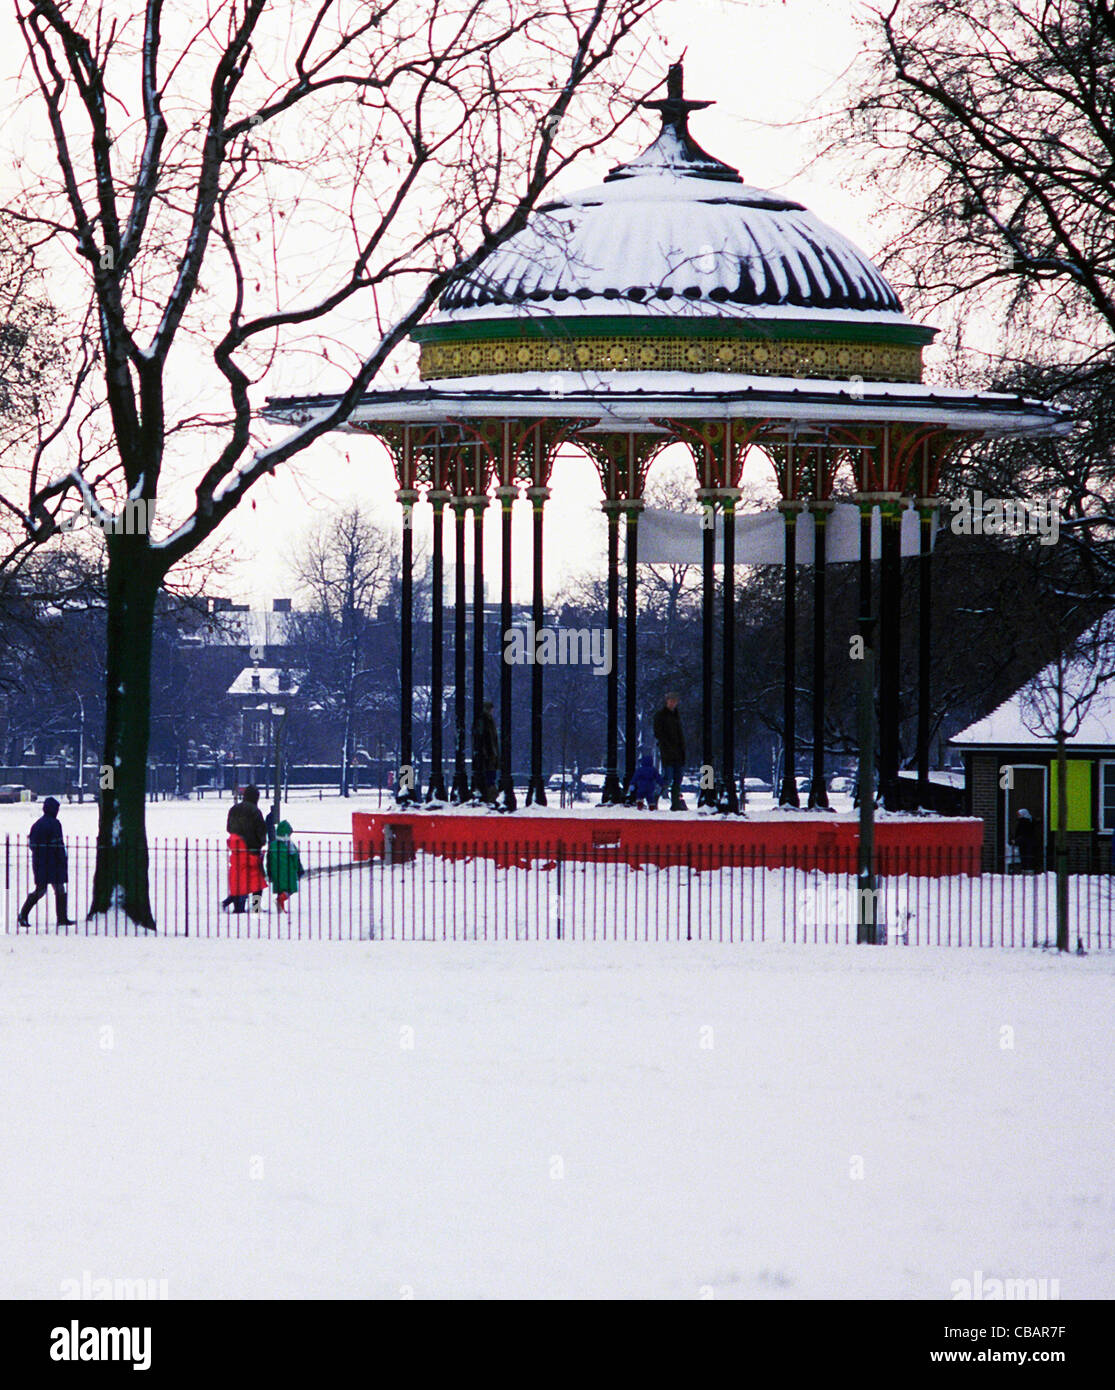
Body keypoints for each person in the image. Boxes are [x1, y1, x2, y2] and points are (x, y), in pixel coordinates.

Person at [17, 797, 76, 927]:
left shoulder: (38, 824)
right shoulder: (54, 824)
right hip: (52, 862)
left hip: (41, 862)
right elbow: (58, 844)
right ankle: (61, 918)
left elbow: (33, 845)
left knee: (43, 889)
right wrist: (61, 858)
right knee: (56, 889)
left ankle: (24, 914)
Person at [223, 785, 267, 912]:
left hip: (237, 850)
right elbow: (260, 830)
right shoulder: (255, 811)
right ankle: (256, 907)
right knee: (257, 880)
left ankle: (238, 907)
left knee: (239, 880)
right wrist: (261, 842)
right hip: (252, 850)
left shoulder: (234, 809)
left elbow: (228, 828)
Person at [653, 692, 687, 810]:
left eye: (674, 701)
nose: (673, 703)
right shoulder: (661, 716)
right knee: (668, 777)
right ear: (667, 701)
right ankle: (655, 797)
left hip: (676, 752)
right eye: (671, 700)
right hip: (668, 752)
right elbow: (659, 733)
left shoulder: (675, 716)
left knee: (677, 778)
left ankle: (675, 803)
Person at [265, 820, 305, 912]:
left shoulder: (273, 846)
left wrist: (269, 871)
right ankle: (280, 900)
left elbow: (268, 860)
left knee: (280, 889)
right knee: (289, 889)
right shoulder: (290, 846)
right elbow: (295, 859)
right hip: (289, 872)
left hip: (276, 872)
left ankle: (280, 907)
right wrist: (299, 869)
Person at [472, 699, 500, 804]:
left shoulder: (484, 720)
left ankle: (488, 796)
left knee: (489, 776)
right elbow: (489, 739)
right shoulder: (487, 720)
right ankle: (490, 797)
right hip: (488, 754)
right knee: (490, 776)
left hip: (488, 754)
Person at [1009, 807, 1041, 871]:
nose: (1018, 816)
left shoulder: (1022, 822)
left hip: (1024, 842)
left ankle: (1025, 868)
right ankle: (1030, 868)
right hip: (1030, 842)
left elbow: (1020, 833)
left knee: (1024, 855)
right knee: (1029, 855)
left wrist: (1015, 840)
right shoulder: (1031, 820)